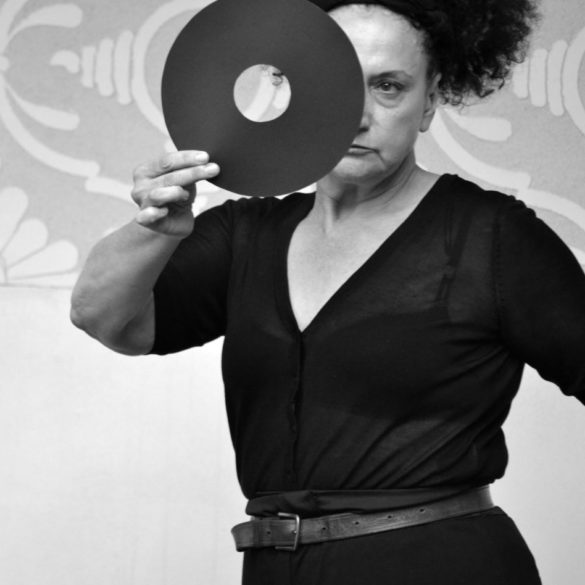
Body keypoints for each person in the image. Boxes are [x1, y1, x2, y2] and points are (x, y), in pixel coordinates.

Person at [71, 1, 585, 583]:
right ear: (293, 90)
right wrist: (153, 230)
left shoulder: (491, 237)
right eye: (335, 84)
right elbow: (104, 318)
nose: (357, 116)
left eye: (388, 87)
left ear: (429, 101)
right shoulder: (246, 234)